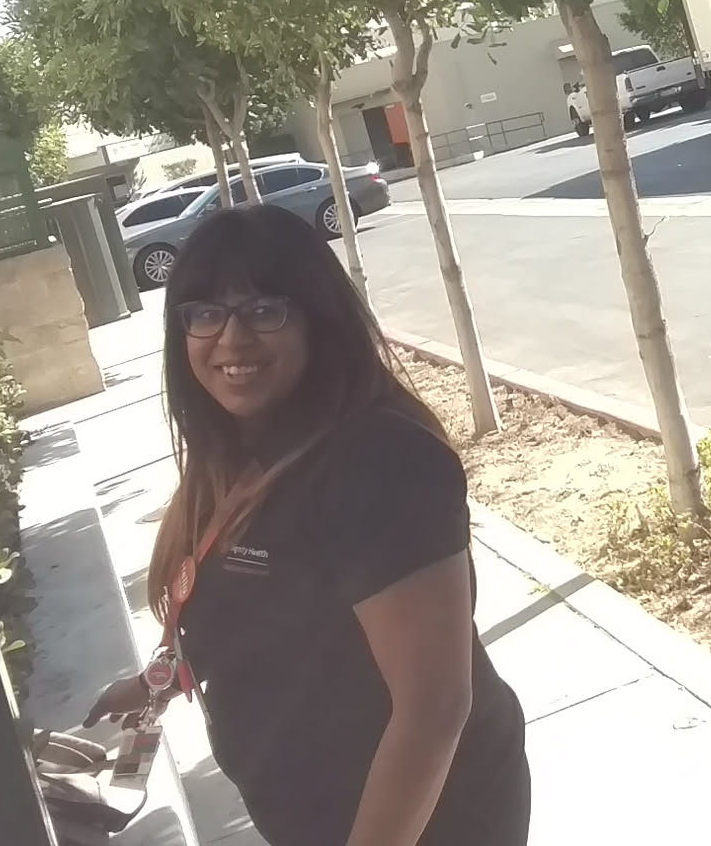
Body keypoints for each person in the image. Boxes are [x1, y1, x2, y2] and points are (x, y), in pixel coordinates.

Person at [83, 205, 528, 845]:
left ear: (319, 320)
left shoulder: (381, 462)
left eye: (264, 310)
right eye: (205, 314)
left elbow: (432, 708)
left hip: (425, 820)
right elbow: (263, 614)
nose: (231, 339)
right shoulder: (239, 450)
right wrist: (158, 681)